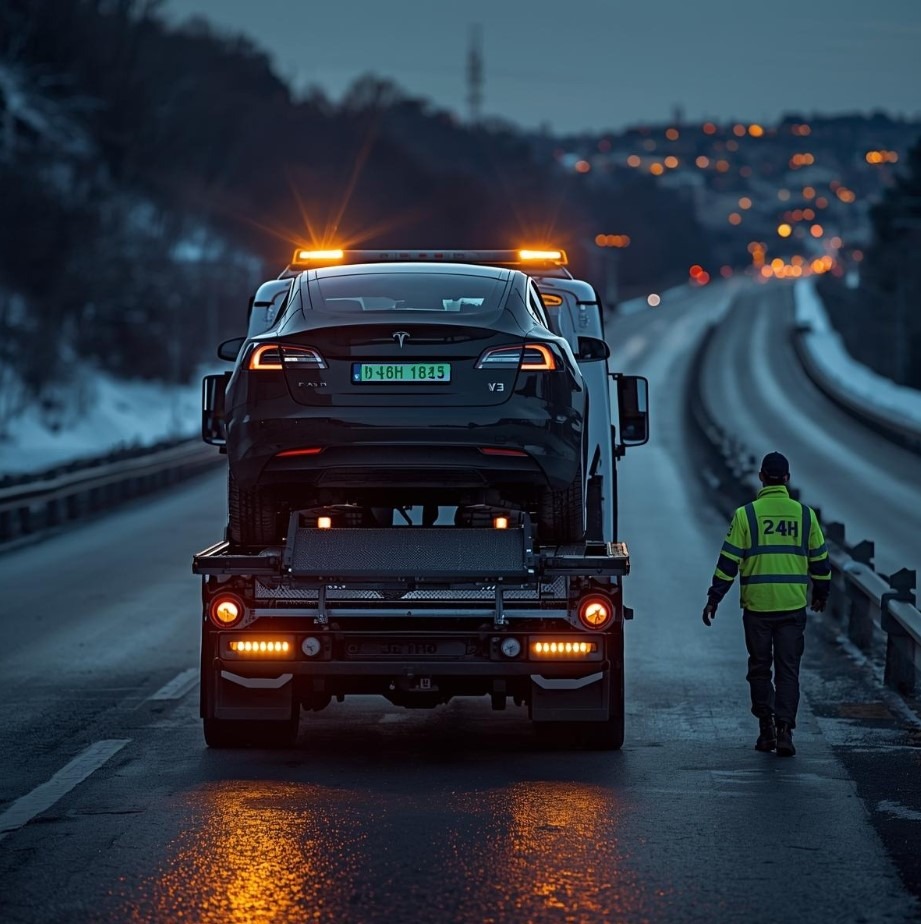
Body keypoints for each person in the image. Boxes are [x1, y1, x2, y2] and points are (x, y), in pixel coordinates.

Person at [701, 452, 831, 756]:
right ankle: (786, 730)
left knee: (759, 669)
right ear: (786, 479)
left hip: (758, 609)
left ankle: (766, 728)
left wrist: (714, 597)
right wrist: (821, 594)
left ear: (761, 477)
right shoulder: (805, 515)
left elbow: (728, 562)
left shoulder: (746, 515)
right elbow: (821, 562)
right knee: (788, 671)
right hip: (792, 607)